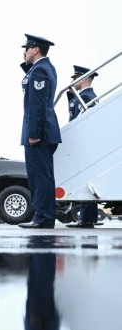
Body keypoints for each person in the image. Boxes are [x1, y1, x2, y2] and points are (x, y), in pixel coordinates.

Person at [18, 34, 61, 229]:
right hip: (44, 131)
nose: (24, 52)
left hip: (39, 133)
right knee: (43, 175)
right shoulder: (44, 68)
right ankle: (44, 215)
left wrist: (33, 133)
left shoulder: (40, 71)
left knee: (39, 176)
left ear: (35, 49)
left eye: (26, 48)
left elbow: (37, 105)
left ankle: (43, 217)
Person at [66, 65, 99, 229]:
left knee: (85, 182)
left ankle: (86, 218)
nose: (72, 81)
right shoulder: (87, 96)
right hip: (86, 145)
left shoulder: (85, 97)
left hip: (83, 145)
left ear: (84, 78)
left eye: (75, 78)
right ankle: (88, 217)